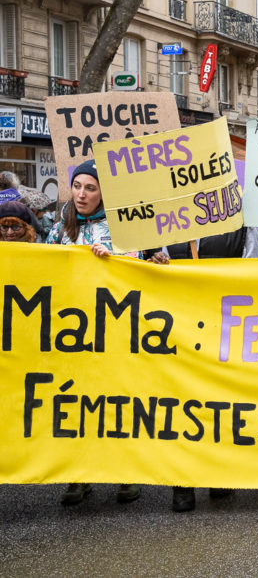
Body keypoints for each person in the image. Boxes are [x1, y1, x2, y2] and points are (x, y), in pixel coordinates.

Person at [44, 160, 144, 505]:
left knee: (116, 401)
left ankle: (125, 474)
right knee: (75, 402)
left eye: (91, 187)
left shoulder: (121, 225)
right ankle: (78, 475)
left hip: (114, 329)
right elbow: (43, 265)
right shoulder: (61, 226)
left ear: (104, 192)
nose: (82, 194)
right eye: (78, 186)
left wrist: (112, 259)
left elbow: (139, 265)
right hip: (72, 331)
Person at [145, 227, 258, 511]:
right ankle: (182, 484)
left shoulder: (240, 226)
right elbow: (145, 268)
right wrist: (155, 263)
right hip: (177, 327)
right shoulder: (163, 222)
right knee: (179, 402)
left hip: (221, 325)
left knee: (219, 400)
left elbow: (257, 271)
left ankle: (218, 474)